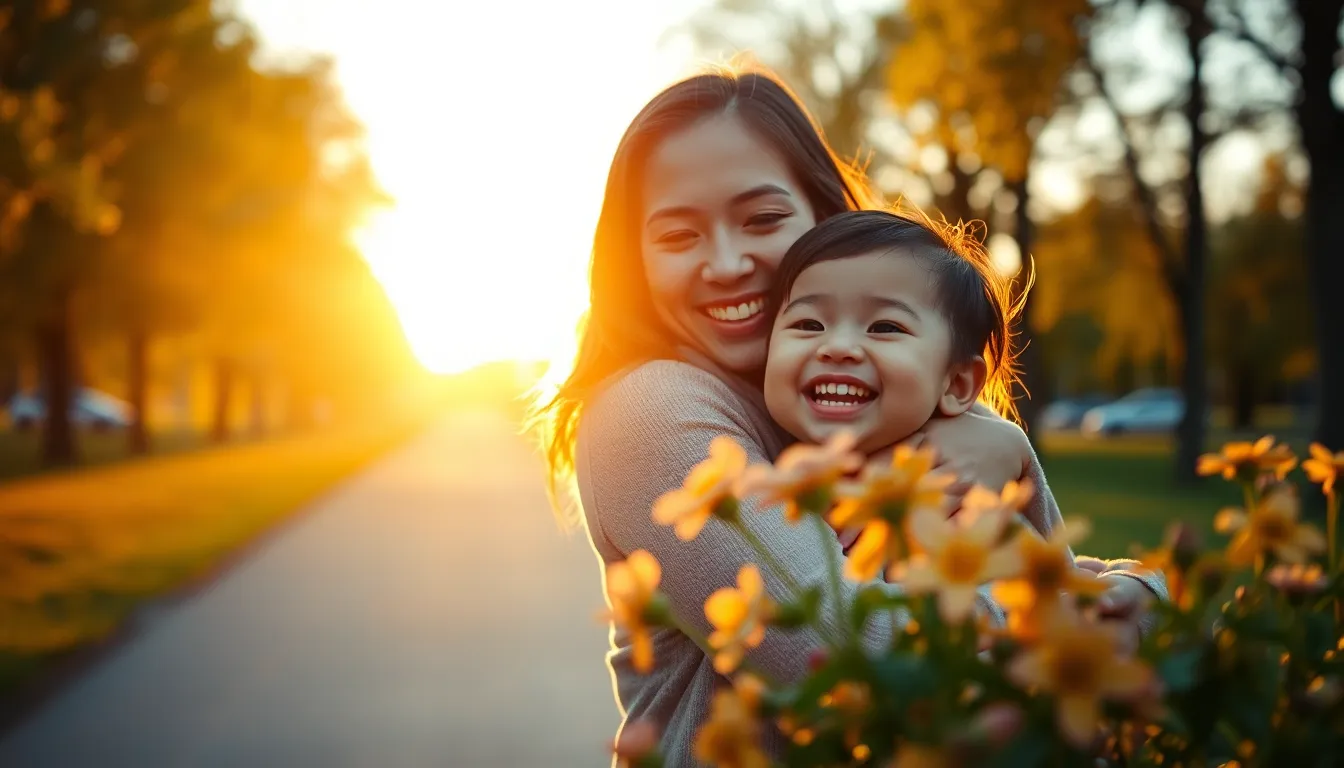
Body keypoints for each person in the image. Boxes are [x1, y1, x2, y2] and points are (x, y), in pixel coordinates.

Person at [529, 66, 1163, 765]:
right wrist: (1097, 631)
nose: (729, 261)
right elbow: (849, 654)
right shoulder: (651, 409)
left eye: (764, 219)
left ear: (824, 216)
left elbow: (1040, 565)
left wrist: (1139, 585)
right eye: (679, 236)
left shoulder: (848, 393)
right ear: (635, 263)